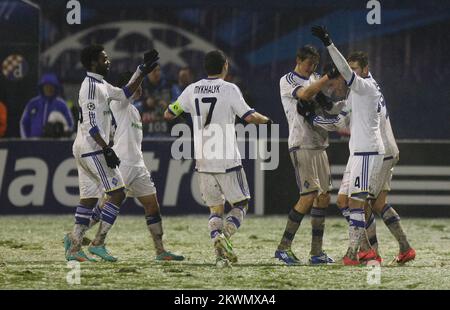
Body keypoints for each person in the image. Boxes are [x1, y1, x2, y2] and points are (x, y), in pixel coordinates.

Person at [300, 59, 415, 265]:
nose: (333, 88)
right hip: (378, 150)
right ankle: (398, 248)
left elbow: (342, 123)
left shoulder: (360, 89)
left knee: (362, 203)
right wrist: (327, 105)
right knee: (368, 202)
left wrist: (314, 118)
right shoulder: (364, 88)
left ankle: (370, 252)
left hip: (376, 151)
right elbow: (346, 115)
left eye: (332, 84)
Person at [164, 50, 272, 267]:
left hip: (203, 159)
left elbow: (168, 113)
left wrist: (191, 117)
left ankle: (218, 245)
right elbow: (250, 117)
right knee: (241, 203)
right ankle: (225, 236)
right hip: (227, 158)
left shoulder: (191, 89)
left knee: (215, 209)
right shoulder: (229, 88)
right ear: (225, 66)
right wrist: (267, 121)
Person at [64, 45, 159, 262]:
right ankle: (99, 243)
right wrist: (105, 148)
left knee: (88, 199)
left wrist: (142, 71)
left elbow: (125, 93)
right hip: (92, 147)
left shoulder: (100, 84)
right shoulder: (89, 87)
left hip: (85, 148)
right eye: (103, 58)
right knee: (117, 193)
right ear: (92, 62)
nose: (108, 61)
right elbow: (90, 123)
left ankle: (75, 247)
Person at [311, 25, 389, 265]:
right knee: (345, 202)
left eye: (355, 69)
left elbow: (343, 70)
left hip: (367, 152)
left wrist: (328, 42)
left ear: (365, 70)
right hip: (358, 152)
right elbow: (339, 119)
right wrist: (317, 112)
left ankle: (355, 254)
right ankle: (367, 249)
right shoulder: (357, 91)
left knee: (357, 202)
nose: (350, 73)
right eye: (351, 68)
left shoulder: (365, 87)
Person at [88, 72, 184, 261]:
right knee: (109, 203)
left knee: (152, 205)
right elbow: (128, 89)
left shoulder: (134, 110)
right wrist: (141, 71)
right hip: (122, 162)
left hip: (138, 165)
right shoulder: (118, 103)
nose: (139, 89)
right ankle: (91, 240)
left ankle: (160, 250)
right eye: (135, 86)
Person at [274, 45, 337, 265]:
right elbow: (305, 93)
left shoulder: (316, 77)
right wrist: (327, 77)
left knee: (323, 197)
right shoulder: (288, 80)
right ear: (298, 60)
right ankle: (283, 248)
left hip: (320, 143)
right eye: (309, 63)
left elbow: (325, 102)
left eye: (315, 65)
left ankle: (316, 253)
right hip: (301, 143)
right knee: (308, 195)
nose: (312, 68)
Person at [20, 73, 74, 138]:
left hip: (55, 143)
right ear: (42, 87)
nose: (48, 89)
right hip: (34, 142)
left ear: (55, 88)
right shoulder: (33, 103)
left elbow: (70, 124)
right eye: (46, 86)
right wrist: (26, 140)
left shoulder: (61, 104)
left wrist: (63, 137)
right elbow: (24, 123)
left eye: (51, 86)